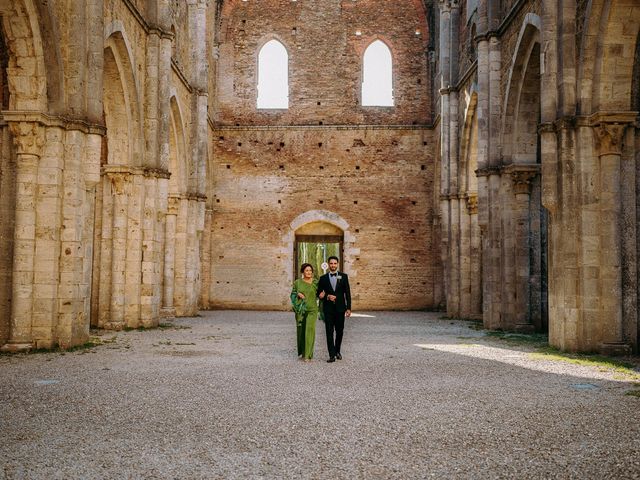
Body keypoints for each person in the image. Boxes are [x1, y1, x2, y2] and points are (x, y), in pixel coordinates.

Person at [317, 256, 351, 363]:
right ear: (328, 264)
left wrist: (349, 308)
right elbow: (319, 293)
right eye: (331, 263)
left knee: (340, 331)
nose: (333, 265)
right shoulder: (323, 278)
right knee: (329, 332)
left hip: (340, 309)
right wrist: (326, 296)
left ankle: (337, 351)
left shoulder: (344, 276)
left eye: (334, 263)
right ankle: (331, 355)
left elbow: (347, 293)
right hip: (328, 309)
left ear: (337, 264)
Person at [290, 263, 319, 361]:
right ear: (303, 272)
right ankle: (302, 352)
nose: (309, 272)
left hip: (312, 310)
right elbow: (292, 294)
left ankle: (308, 355)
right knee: (301, 331)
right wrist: (297, 294)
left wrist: (323, 295)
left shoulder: (316, 282)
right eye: (307, 270)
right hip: (301, 311)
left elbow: (320, 294)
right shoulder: (297, 282)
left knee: (309, 330)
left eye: (310, 270)